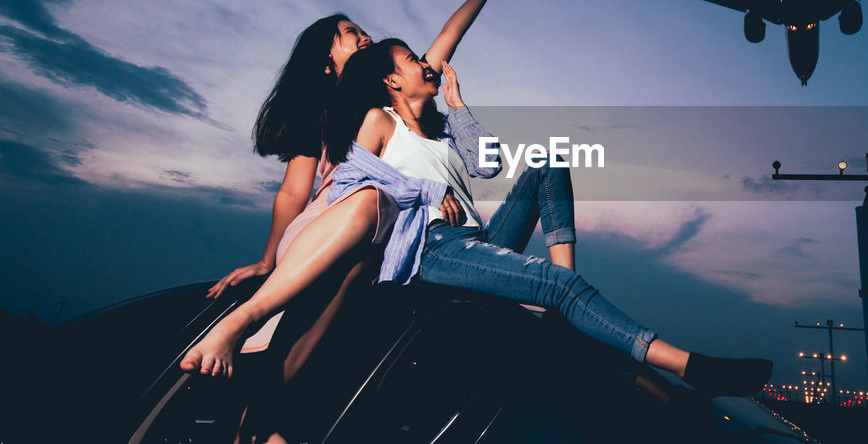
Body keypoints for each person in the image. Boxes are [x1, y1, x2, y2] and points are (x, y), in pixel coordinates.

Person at [181, 39, 772, 401]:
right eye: (414, 60)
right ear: (392, 80)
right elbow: (353, 187)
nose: (425, 64)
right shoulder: (379, 120)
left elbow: (488, 166)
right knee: (554, 284)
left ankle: (559, 304)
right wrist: (417, 193)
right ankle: (688, 366)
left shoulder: (439, 127)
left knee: (546, 165)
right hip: (428, 248)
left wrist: (459, 106)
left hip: (474, 239)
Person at [206, 0, 510, 444]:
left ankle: (292, 418)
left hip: (388, 215)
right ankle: (251, 424)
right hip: (335, 214)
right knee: (313, 289)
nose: (364, 37)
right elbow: (293, 194)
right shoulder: (324, 114)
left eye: (364, 32)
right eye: (350, 35)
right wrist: (266, 259)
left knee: (357, 284)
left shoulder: (395, 96)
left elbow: (446, 38)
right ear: (327, 62)